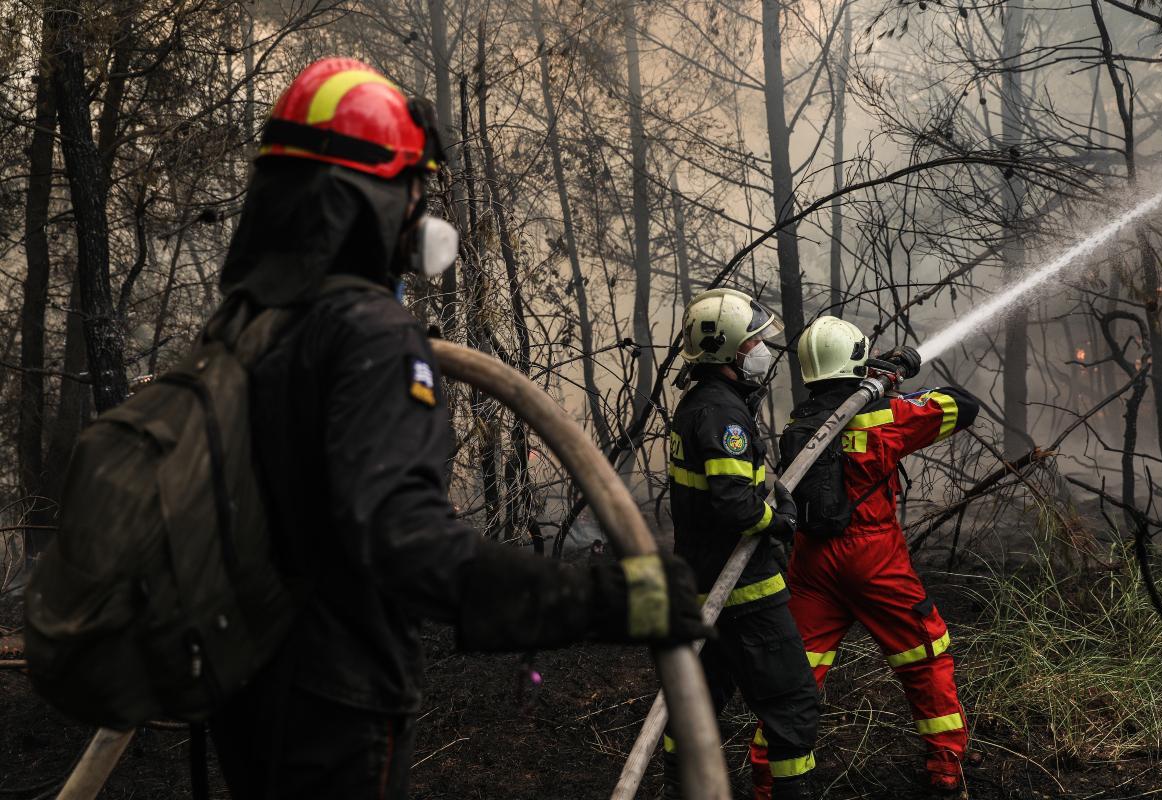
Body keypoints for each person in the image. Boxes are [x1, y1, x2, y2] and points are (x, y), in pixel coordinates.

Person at [209, 57, 707, 799]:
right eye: (413, 188)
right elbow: (403, 540)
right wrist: (604, 598)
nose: (421, 212)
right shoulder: (367, 335)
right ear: (371, 197)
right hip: (336, 709)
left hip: (248, 694)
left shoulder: (246, 330)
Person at [749, 316, 979, 797]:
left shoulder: (799, 424)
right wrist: (895, 377)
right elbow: (963, 405)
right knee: (925, 654)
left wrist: (875, 379)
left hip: (811, 564)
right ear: (857, 359)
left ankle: (769, 779)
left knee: (796, 673)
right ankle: (945, 767)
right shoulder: (886, 417)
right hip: (873, 558)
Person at [664, 289, 821, 800]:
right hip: (742, 590)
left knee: (697, 701)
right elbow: (736, 507)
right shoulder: (721, 415)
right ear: (730, 349)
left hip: (703, 583)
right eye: (755, 339)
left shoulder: (703, 404)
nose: (763, 348)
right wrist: (778, 520)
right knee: (792, 700)